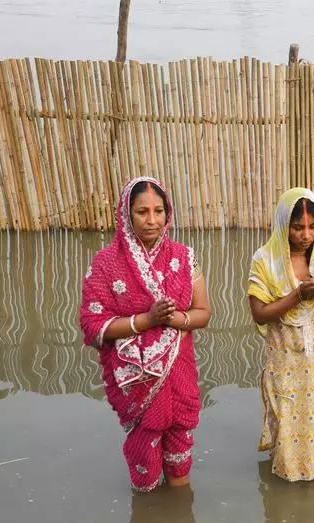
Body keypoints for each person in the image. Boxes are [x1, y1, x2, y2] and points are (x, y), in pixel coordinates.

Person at [80, 177, 211, 491]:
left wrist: (174, 318)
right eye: (142, 212)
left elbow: (204, 312)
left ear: (168, 213)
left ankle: (178, 506)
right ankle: (149, 502)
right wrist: (147, 320)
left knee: (180, 462)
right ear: (126, 215)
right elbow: (92, 325)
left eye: (158, 211)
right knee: (146, 470)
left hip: (179, 373)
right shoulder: (106, 264)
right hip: (138, 384)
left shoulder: (184, 257)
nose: (152, 220)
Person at [247, 188, 314, 481]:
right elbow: (259, 313)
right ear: (283, 225)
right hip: (285, 356)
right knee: (286, 414)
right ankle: (287, 483)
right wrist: (297, 296)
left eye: (313, 226)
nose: (306, 235)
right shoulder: (266, 260)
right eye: (297, 227)